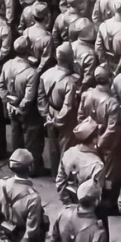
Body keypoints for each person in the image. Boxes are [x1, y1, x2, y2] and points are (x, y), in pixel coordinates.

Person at [77, 65, 121, 214]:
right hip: (107, 144)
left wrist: (89, 137)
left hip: (90, 139)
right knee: (110, 174)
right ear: (109, 79)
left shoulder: (86, 94)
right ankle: (108, 202)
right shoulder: (111, 102)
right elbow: (112, 128)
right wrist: (100, 142)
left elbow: (80, 117)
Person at [0, 36, 45, 175]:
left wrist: (8, 102)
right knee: (32, 139)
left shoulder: (7, 65)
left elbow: (1, 86)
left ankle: (15, 164)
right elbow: (29, 97)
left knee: (15, 135)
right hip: (26, 111)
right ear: (29, 50)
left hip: (11, 107)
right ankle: (31, 168)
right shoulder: (31, 72)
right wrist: (20, 107)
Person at [38, 42, 80, 178]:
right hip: (65, 118)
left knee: (53, 146)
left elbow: (41, 97)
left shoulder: (46, 74)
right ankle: (63, 177)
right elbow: (68, 106)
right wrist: (57, 120)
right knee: (66, 147)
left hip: (50, 112)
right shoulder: (69, 82)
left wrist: (46, 115)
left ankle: (54, 172)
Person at [56, 118, 105, 205]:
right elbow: (97, 194)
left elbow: (60, 182)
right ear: (94, 140)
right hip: (89, 208)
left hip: (70, 203)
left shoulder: (68, 152)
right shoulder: (97, 165)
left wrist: (68, 203)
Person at [95, 0, 121, 73]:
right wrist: (116, 72)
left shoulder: (103, 25)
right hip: (120, 70)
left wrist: (104, 64)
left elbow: (98, 48)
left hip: (105, 65)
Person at [22, 3, 54, 76]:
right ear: (46, 17)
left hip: (27, 68)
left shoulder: (26, 31)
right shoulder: (48, 38)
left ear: (33, 17)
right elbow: (45, 60)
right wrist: (36, 72)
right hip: (40, 73)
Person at [70, 17, 98, 90]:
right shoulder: (90, 54)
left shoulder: (70, 46)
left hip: (69, 84)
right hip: (80, 89)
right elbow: (88, 80)